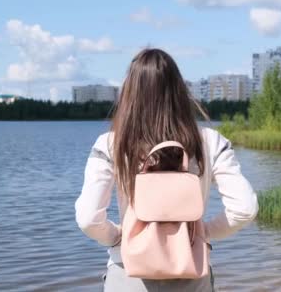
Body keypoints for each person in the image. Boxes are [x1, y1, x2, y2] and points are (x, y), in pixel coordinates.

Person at [75, 48, 258, 291]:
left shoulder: (110, 144)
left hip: (129, 273)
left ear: (130, 94)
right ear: (179, 92)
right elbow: (244, 209)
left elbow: (88, 218)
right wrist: (202, 233)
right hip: (191, 271)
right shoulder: (211, 142)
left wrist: (119, 238)